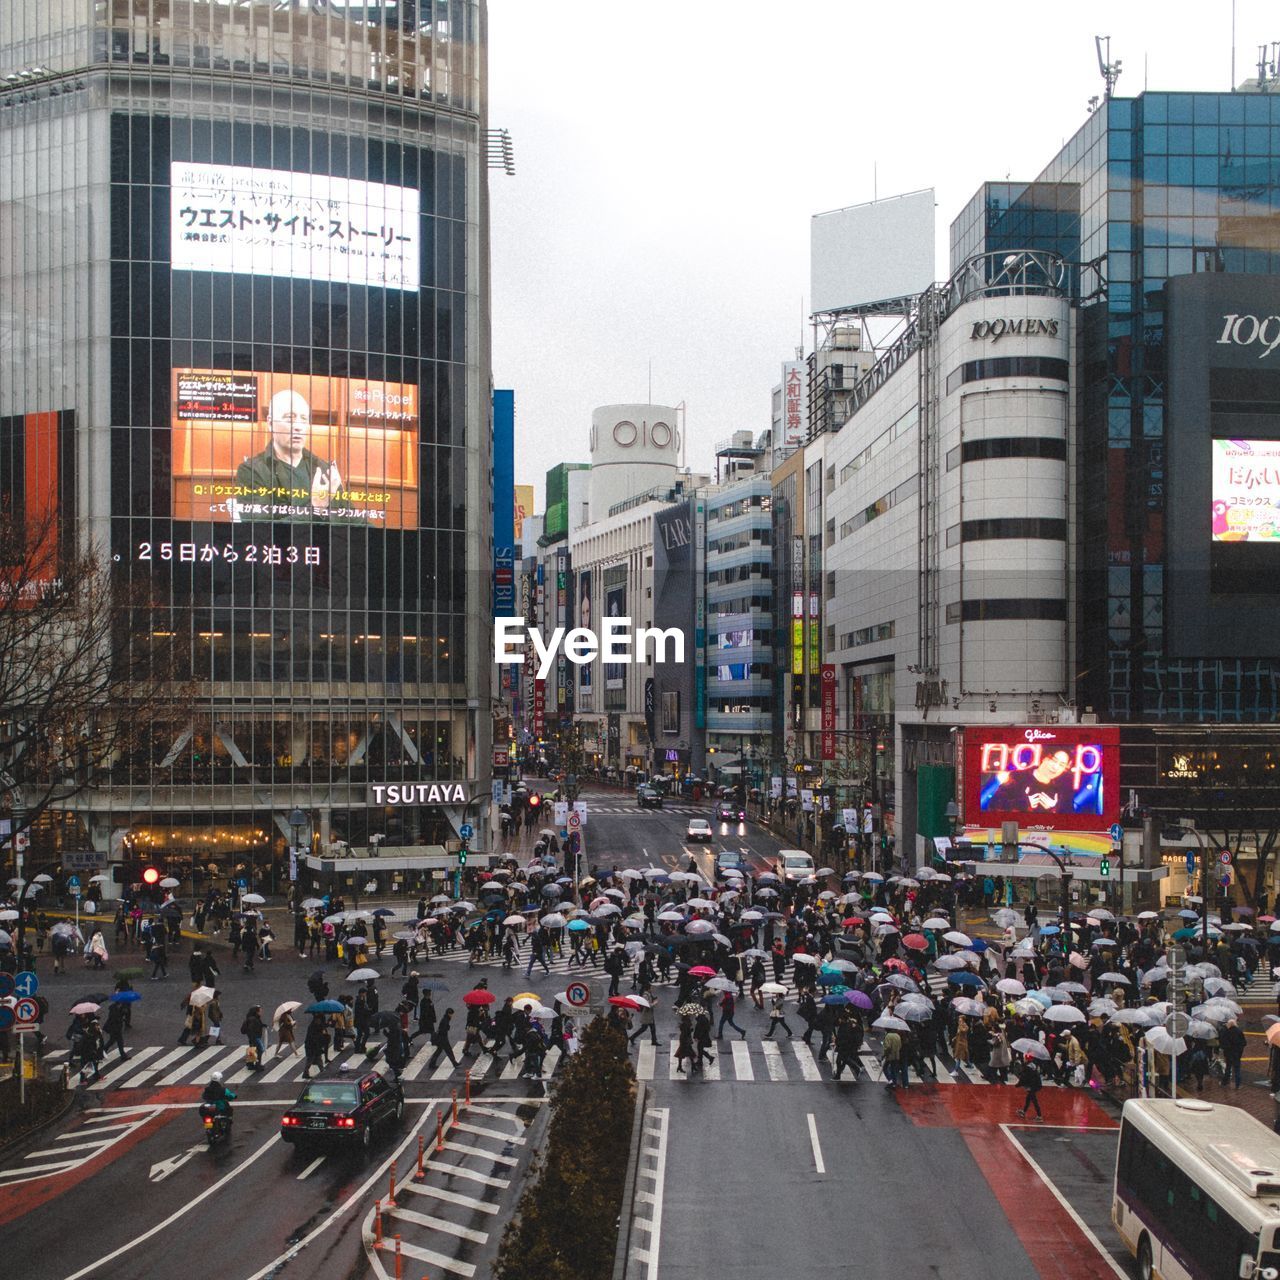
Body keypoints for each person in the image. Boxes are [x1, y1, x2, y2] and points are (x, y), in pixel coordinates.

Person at [231, 388, 347, 523]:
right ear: (270, 423)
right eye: (290, 418)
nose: (298, 426)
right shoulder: (251, 471)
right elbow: (259, 530)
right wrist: (315, 508)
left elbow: (354, 520)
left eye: (304, 419)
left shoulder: (325, 470)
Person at [1016, 1054, 1045, 1120]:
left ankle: (1039, 1115)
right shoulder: (1033, 1066)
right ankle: (1024, 1111)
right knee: (1028, 1099)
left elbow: (1024, 1078)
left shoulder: (1027, 1068)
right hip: (1036, 1085)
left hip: (1032, 1086)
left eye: (1025, 1058)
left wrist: (1017, 1085)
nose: (1024, 1059)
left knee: (1034, 1100)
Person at [1221, 1019, 1247, 1088]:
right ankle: (1237, 1084)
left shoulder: (1226, 1032)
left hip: (1229, 1054)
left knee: (1228, 1068)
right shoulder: (1239, 1032)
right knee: (1237, 1069)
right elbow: (1244, 1043)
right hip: (1237, 1054)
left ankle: (1224, 1082)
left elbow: (1223, 1043)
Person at [240, 1005, 266, 1070]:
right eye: (260, 1011)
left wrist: (263, 1025)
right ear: (256, 1012)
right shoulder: (253, 1019)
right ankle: (258, 1065)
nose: (261, 1012)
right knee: (260, 1050)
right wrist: (252, 1039)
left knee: (252, 1049)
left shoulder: (255, 1018)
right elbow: (251, 1029)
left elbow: (258, 1025)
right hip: (255, 1037)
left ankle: (250, 1064)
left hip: (254, 1037)